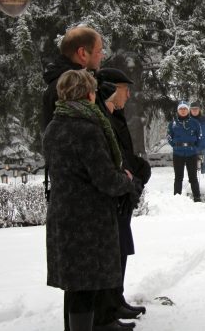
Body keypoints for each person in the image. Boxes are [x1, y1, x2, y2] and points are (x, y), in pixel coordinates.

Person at [43, 69, 142, 331]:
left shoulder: (54, 126)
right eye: (94, 90)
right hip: (88, 219)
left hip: (64, 213)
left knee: (77, 287)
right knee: (85, 287)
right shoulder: (87, 128)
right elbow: (105, 178)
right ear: (87, 93)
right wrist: (128, 180)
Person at [97, 68, 151, 321]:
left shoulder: (116, 116)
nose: (128, 94)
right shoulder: (103, 117)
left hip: (124, 191)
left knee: (121, 247)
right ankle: (108, 306)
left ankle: (115, 300)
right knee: (114, 249)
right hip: (115, 191)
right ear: (111, 89)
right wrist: (133, 172)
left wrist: (139, 170)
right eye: (124, 89)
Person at [42, 26, 106, 201]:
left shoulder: (65, 84)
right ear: (82, 53)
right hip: (81, 197)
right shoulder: (70, 88)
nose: (102, 55)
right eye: (99, 50)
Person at [168, 101, 202, 201]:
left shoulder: (195, 123)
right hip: (178, 154)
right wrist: (174, 145)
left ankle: (197, 198)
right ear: (178, 111)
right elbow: (169, 136)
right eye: (181, 109)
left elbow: (199, 136)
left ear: (188, 110)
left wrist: (195, 147)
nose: (183, 111)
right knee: (178, 178)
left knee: (193, 178)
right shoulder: (173, 123)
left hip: (191, 153)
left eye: (185, 109)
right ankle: (176, 199)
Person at [190, 102, 205, 174]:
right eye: (193, 109)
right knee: (192, 168)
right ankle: (194, 181)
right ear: (190, 110)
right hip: (192, 148)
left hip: (204, 147)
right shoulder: (188, 120)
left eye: (196, 109)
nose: (194, 110)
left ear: (199, 109)